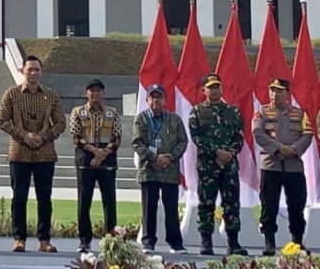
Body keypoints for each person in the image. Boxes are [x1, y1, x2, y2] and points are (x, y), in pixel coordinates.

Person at [0, 54, 65, 253]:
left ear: (41, 72)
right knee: (19, 198)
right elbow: (2, 119)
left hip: (45, 153)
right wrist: (24, 135)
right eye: (30, 69)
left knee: (44, 198)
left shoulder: (51, 95)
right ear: (22, 71)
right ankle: (19, 239)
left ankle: (44, 240)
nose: (33, 73)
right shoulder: (11, 94)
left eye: (37, 69)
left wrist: (44, 137)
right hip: (19, 152)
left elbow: (61, 122)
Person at [188, 73, 247, 255]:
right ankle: (206, 242)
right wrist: (217, 152)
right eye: (211, 87)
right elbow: (197, 137)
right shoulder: (196, 111)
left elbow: (240, 135)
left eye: (217, 87)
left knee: (231, 204)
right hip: (208, 166)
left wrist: (230, 153)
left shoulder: (233, 111)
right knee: (206, 203)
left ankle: (233, 243)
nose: (215, 90)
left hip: (229, 165)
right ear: (203, 90)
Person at [253, 78, 313, 255]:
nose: (274, 94)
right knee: (268, 205)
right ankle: (269, 243)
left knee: (297, 205)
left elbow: (308, 134)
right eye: (272, 90)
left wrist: (293, 149)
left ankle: (297, 242)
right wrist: (279, 148)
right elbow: (258, 133)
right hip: (271, 166)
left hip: (294, 166)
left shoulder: (299, 114)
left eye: (279, 91)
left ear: (287, 93)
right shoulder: (262, 113)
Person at [130, 84, 187, 254]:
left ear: (165, 100)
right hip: (149, 170)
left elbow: (182, 142)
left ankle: (175, 243)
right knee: (149, 208)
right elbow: (136, 142)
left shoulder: (174, 119)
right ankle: (148, 242)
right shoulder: (141, 118)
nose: (156, 100)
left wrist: (170, 157)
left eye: (159, 97)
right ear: (147, 100)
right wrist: (155, 158)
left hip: (169, 170)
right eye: (152, 97)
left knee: (171, 209)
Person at [69, 78, 120, 253]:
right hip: (85, 163)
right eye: (92, 90)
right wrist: (95, 151)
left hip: (107, 163)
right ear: (86, 93)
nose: (95, 93)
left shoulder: (113, 113)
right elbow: (76, 137)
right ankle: (84, 240)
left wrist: (102, 154)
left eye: (98, 90)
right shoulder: (77, 112)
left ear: (104, 93)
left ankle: (111, 240)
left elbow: (117, 138)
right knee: (84, 203)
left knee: (110, 202)